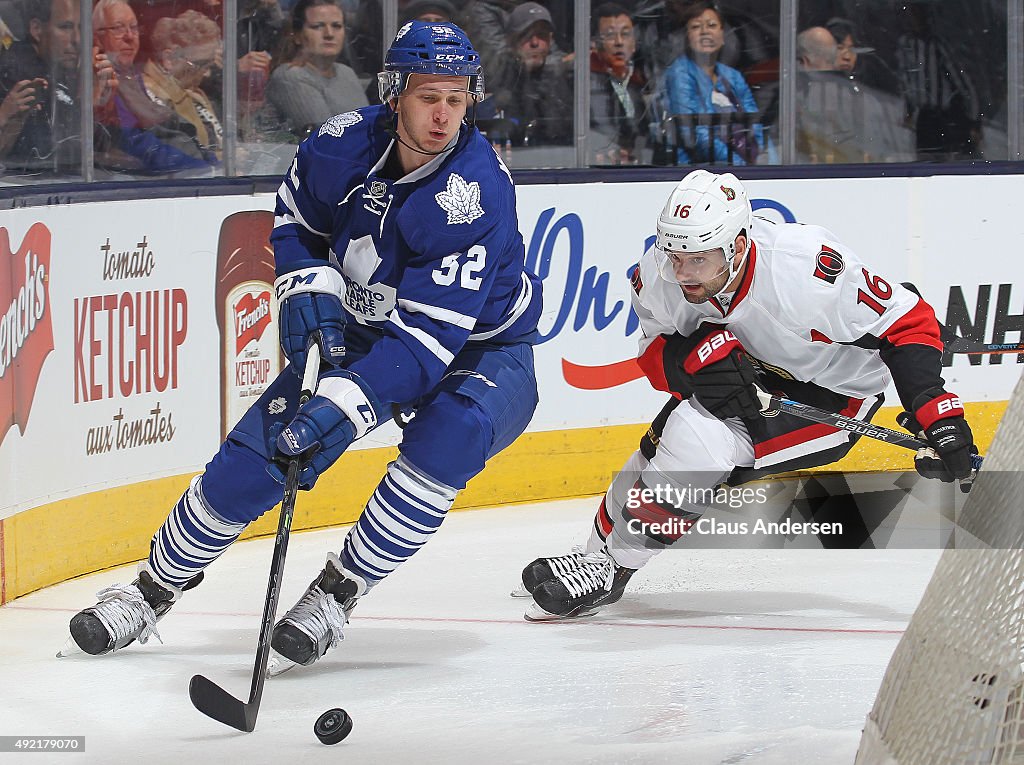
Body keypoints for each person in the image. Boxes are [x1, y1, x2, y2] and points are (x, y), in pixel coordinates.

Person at [65, 21, 544, 669]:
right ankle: (151, 589)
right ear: (395, 92)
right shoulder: (338, 144)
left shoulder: (472, 193)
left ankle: (336, 593)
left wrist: (338, 408)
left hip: (481, 351)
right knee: (255, 454)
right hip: (367, 328)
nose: (443, 115)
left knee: (448, 438)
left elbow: (426, 346)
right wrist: (306, 286)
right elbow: (294, 219)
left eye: (458, 100)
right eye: (430, 96)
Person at [517, 169, 978, 621]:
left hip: (834, 396)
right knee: (665, 440)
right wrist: (685, 358)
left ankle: (613, 565)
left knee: (697, 444)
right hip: (758, 376)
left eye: (697, 259)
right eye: (675, 255)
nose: (681, 273)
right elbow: (654, 356)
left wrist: (937, 415)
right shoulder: (658, 274)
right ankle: (593, 557)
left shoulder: (804, 267)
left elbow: (909, 322)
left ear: (737, 246)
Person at [93, 0, 218, 173]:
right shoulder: (101, 80)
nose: (130, 36)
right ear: (97, 37)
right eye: (118, 28)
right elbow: (135, 142)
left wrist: (210, 160)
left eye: (134, 28)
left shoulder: (131, 77)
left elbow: (167, 128)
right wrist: (204, 168)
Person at [0, 0, 116, 175]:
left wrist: (102, 101)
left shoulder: (62, 70)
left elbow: (103, 149)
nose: (77, 39)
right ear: (37, 29)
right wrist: (87, 98)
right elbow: (61, 156)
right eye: (65, 27)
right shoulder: (18, 72)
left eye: (81, 28)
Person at [661, 0, 768, 166]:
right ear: (686, 37)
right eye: (696, 27)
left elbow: (754, 120)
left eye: (711, 25)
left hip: (743, 162)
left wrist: (756, 153)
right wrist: (740, 162)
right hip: (698, 168)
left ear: (723, 35)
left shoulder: (733, 76)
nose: (705, 32)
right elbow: (695, 136)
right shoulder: (679, 73)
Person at [266, 0, 368, 137]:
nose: (329, 34)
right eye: (317, 26)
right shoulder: (289, 77)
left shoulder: (346, 73)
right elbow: (326, 139)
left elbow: (370, 129)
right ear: (297, 36)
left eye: (337, 26)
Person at [895, 1, 981, 161]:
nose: (914, 19)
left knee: (946, 165)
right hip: (925, 120)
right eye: (911, 14)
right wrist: (909, 110)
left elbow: (964, 83)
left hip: (945, 119)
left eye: (918, 14)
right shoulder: (906, 46)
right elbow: (907, 81)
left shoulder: (937, 47)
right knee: (925, 164)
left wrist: (974, 121)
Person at [488, 1, 572, 148]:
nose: (535, 43)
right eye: (527, 35)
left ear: (550, 40)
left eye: (541, 35)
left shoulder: (563, 83)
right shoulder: (495, 80)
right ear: (511, 40)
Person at [142, 10, 223, 161]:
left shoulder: (194, 94)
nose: (206, 74)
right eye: (201, 64)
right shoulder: (147, 97)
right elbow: (174, 156)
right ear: (169, 58)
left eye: (210, 64)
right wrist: (223, 159)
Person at [589, 2, 650, 166]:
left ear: (635, 43)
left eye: (625, 34)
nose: (619, 42)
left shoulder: (643, 79)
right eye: (609, 35)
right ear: (594, 43)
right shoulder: (583, 82)